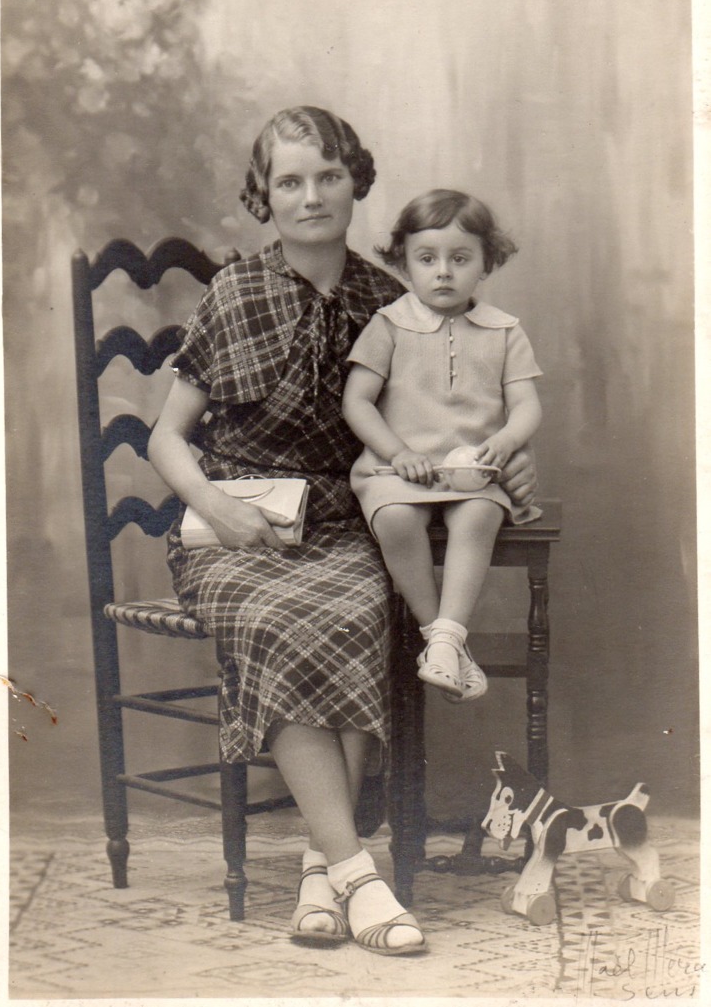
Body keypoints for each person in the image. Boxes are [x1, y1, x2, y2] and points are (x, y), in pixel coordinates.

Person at [148, 109, 538, 956]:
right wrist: (215, 507)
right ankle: (363, 876)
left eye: (328, 175)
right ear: (265, 195)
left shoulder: (388, 300)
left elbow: (451, 418)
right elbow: (165, 436)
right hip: (235, 527)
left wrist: (503, 460)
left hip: (341, 520)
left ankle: (323, 874)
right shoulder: (235, 293)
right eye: (289, 180)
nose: (312, 195)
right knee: (278, 620)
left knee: (357, 612)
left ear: (356, 180)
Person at [342, 189, 542, 702]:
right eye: (426, 259)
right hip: (400, 473)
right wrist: (396, 453)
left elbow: (526, 406)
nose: (443, 272)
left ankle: (445, 639)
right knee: (395, 520)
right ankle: (445, 639)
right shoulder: (388, 326)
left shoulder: (504, 332)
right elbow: (358, 403)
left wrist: (505, 439)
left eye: (460, 258)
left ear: (485, 263)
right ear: (405, 263)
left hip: (472, 473)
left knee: (478, 517)